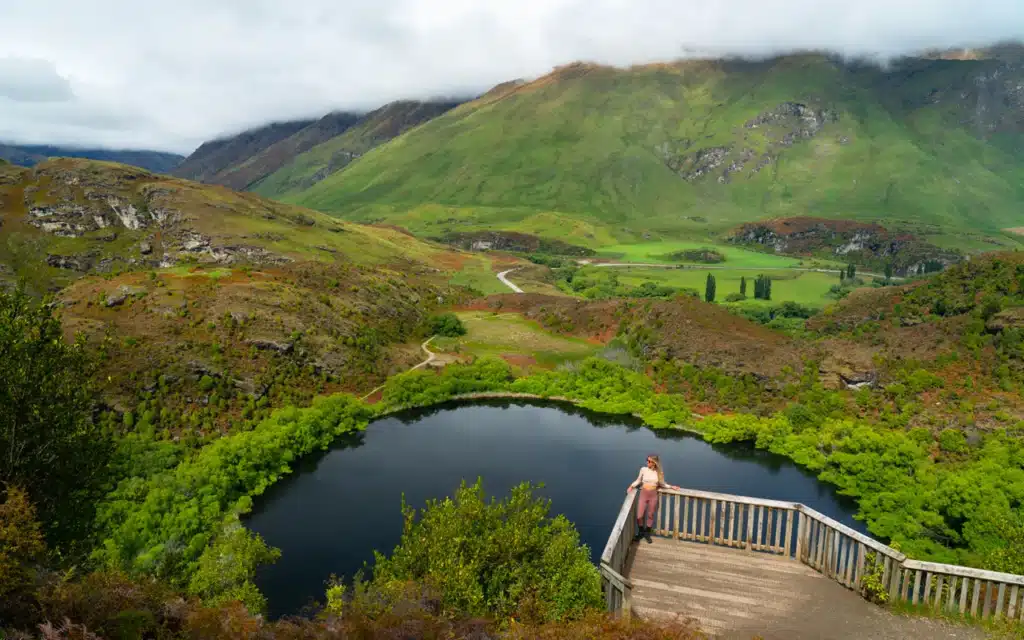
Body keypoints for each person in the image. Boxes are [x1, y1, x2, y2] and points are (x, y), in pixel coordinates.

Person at [627, 454, 680, 543]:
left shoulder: (659, 473)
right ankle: (641, 532)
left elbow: (662, 484)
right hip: (643, 494)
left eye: (649, 461)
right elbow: (638, 480)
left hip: (653, 495)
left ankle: (647, 534)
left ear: (654, 463)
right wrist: (631, 486)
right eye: (647, 460)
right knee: (639, 515)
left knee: (650, 515)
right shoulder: (643, 469)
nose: (647, 462)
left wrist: (671, 487)